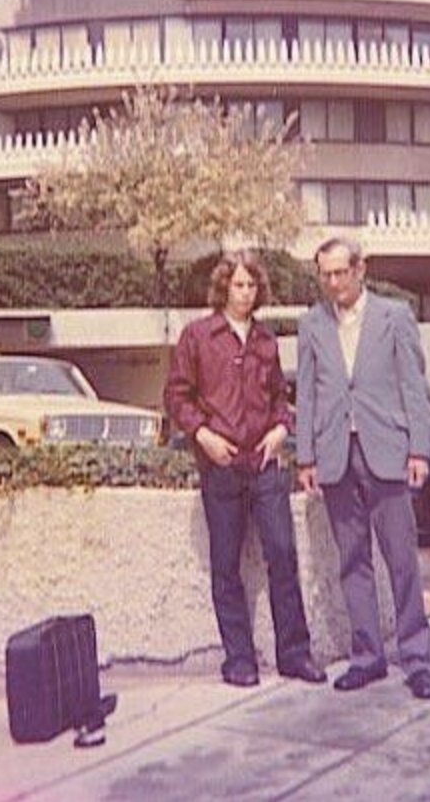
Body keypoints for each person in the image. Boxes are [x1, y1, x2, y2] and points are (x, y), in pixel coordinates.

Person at [164, 249, 326, 688]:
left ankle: (294, 654)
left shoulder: (266, 341)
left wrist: (280, 428)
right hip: (221, 466)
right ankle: (239, 659)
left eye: (252, 285)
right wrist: (204, 436)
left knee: (282, 555)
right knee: (225, 565)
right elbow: (177, 396)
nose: (246, 292)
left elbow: (278, 397)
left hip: (265, 465)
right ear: (223, 288)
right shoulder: (197, 336)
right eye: (238, 284)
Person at [296, 236, 430, 700]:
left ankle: (417, 658)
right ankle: (368, 657)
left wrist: (418, 451)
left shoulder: (394, 317)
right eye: (326, 274)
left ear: (360, 270)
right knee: (352, 560)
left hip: (387, 452)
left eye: (341, 272)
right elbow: (307, 395)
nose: (333, 282)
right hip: (337, 455)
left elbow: (413, 388)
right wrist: (306, 456)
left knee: (402, 560)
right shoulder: (312, 325)